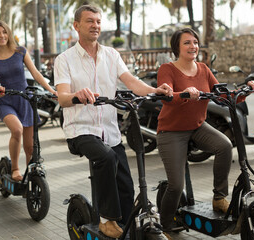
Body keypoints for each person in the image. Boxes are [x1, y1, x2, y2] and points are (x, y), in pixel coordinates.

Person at [54, 5, 172, 239]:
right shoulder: (64, 59)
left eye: (98, 21)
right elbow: (62, 97)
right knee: (106, 157)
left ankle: (130, 230)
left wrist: (154, 90)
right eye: (89, 21)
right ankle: (106, 221)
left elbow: (131, 81)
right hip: (80, 131)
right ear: (76, 26)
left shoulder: (111, 55)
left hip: (109, 131)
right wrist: (77, 96)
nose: (95, 25)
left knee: (126, 186)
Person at [156, 28, 254, 239]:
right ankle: (165, 225)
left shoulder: (203, 69)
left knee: (223, 146)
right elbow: (166, 96)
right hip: (171, 131)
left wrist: (245, 91)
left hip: (196, 126)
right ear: (177, 47)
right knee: (176, 186)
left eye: (195, 42)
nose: (193, 46)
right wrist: (184, 94)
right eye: (187, 43)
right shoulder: (167, 69)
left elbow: (222, 94)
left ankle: (219, 197)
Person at [0, 21, 56, 182]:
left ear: (8, 34)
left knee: (30, 146)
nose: (2, 35)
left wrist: (51, 90)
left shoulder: (20, 51)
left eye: (4, 32)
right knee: (17, 130)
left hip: (25, 100)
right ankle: (15, 168)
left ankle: (31, 174)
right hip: (6, 102)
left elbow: (36, 73)